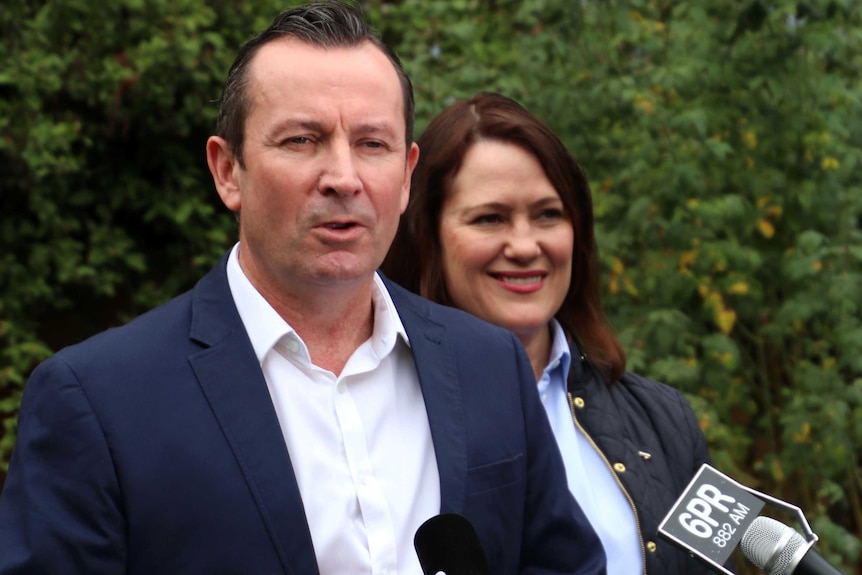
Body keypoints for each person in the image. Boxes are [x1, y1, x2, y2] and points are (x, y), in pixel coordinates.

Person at [0, 5, 606, 575]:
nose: (343, 178)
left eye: (372, 144)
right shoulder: (99, 401)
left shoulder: (488, 364)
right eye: (301, 140)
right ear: (227, 171)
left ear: (405, 177)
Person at [382, 91, 729, 575]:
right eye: (490, 218)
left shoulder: (664, 419)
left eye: (548, 214)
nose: (525, 245)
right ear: (426, 234)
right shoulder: (379, 411)